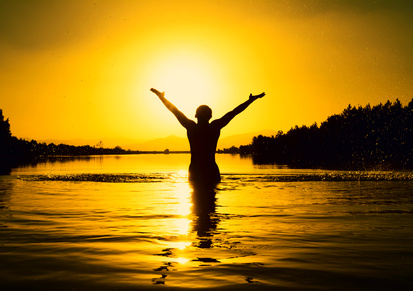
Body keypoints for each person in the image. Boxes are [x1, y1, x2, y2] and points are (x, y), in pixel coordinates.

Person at [150, 88, 265, 188]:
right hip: (211, 171)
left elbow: (175, 111)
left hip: (195, 171)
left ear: (195, 116)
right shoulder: (214, 127)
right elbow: (233, 112)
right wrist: (250, 101)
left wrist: (161, 98)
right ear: (210, 116)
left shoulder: (191, 127)